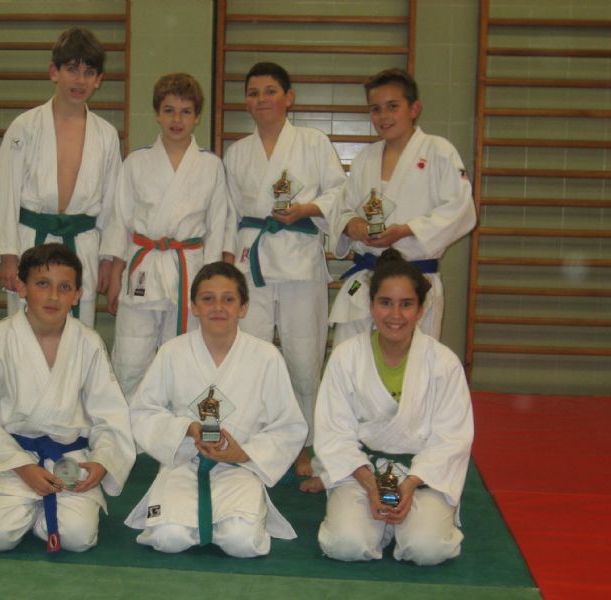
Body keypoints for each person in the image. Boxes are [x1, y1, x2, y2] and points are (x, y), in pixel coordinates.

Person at [0, 243, 135, 554]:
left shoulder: (88, 343)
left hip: (69, 461)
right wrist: (21, 467)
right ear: (21, 287)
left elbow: (110, 414)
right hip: (15, 458)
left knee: (78, 538)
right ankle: (17, 506)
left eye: (64, 287)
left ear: (77, 295)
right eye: (42, 284)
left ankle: (39, 513)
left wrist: (102, 460)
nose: (53, 296)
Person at [124, 262, 307, 557]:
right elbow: (143, 412)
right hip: (183, 462)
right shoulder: (172, 352)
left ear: (243, 308)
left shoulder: (266, 357)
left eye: (228, 299)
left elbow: (288, 426)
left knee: (241, 541)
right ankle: (185, 519)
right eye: (208, 299)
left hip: (240, 468)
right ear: (194, 307)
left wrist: (243, 453)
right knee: (168, 538)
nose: (218, 307)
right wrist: (186, 428)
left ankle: (222, 519)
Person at [307, 249, 473, 566]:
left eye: (406, 304)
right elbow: (334, 432)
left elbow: (453, 437)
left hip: (422, 477)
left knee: (428, 549)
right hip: (361, 473)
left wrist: (411, 484)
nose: (395, 315)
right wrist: (371, 486)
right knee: (346, 545)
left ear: (421, 309)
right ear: (371, 305)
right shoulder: (346, 357)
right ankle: (378, 524)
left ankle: (405, 525)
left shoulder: (443, 363)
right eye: (385, 302)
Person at [223, 62, 346, 476]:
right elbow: (227, 213)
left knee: (304, 355)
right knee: (250, 352)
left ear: (289, 97)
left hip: (299, 261)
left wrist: (308, 208)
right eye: (253, 93)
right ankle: (249, 437)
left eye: (270, 91)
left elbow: (339, 192)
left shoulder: (313, 142)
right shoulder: (237, 152)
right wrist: (226, 266)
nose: (261, 100)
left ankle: (304, 444)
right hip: (251, 261)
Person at [101, 73, 228, 398]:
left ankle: (181, 424)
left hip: (190, 270)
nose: (177, 120)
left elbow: (218, 226)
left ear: (197, 117)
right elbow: (120, 221)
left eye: (186, 111)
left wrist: (212, 284)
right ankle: (124, 423)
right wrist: (115, 275)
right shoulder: (136, 162)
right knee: (130, 358)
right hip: (142, 267)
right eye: (169, 110)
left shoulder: (211, 165)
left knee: (185, 359)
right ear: (157, 114)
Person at [328, 68, 476, 347]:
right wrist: (352, 225)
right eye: (375, 109)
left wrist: (407, 230)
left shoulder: (439, 151)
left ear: (414, 108)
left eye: (393, 106)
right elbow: (342, 208)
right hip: (367, 277)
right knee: (351, 357)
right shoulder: (364, 159)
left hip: (414, 278)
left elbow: (461, 210)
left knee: (413, 362)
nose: (383, 116)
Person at [0, 27, 122, 327]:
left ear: (99, 80)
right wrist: (8, 254)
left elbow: (113, 203)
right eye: (72, 69)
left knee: (79, 332)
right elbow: (5, 192)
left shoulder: (106, 135)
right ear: (54, 72)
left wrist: (106, 257)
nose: (80, 80)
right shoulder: (24, 127)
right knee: (25, 330)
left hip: (82, 243)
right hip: (31, 241)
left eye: (89, 72)